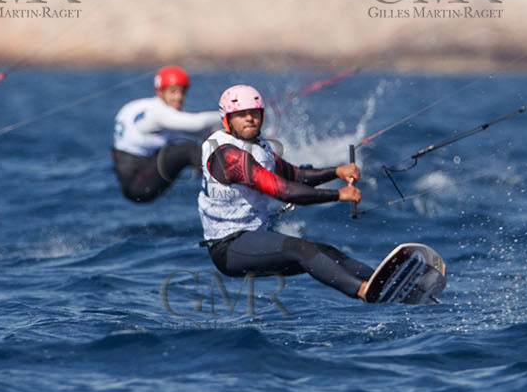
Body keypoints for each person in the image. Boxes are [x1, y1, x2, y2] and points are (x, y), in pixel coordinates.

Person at [197, 84, 376, 299]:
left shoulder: (260, 146)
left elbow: (295, 175)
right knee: (300, 249)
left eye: (254, 113)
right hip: (229, 248)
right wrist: (338, 195)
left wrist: (336, 171)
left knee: (326, 252)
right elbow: (283, 191)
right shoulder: (227, 154)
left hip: (252, 238)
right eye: (241, 115)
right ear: (227, 120)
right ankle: (364, 291)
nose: (249, 119)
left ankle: (380, 281)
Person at [111, 65, 219, 203]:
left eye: (182, 92)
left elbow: (202, 132)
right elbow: (199, 123)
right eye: (173, 92)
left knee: (211, 141)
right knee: (188, 149)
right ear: (160, 93)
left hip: (142, 170)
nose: (178, 97)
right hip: (137, 184)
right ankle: (230, 185)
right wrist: (233, 113)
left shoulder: (150, 108)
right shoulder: (156, 113)